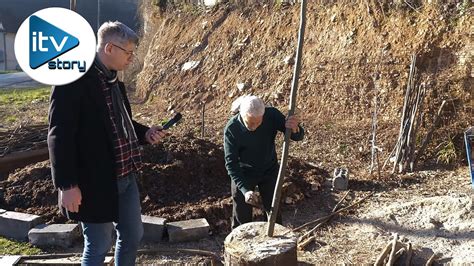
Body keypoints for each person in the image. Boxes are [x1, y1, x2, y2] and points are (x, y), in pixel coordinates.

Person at [47, 21, 166, 266]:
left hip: (126, 176)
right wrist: (67, 184)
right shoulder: (72, 80)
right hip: (93, 181)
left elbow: (119, 123)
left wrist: (144, 134)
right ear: (110, 48)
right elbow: (59, 135)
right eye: (129, 53)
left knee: (133, 235)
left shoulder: (113, 82)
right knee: (98, 245)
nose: (132, 59)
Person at [223, 95, 304, 229]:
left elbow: (296, 136)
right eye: (250, 123)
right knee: (241, 215)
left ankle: (275, 240)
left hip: (269, 169)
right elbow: (231, 164)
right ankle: (242, 245)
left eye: (258, 122)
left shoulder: (271, 115)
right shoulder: (232, 129)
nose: (254, 126)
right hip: (244, 172)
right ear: (242, 115)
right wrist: (245, 190)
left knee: (273, 210)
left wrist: (295, 128)